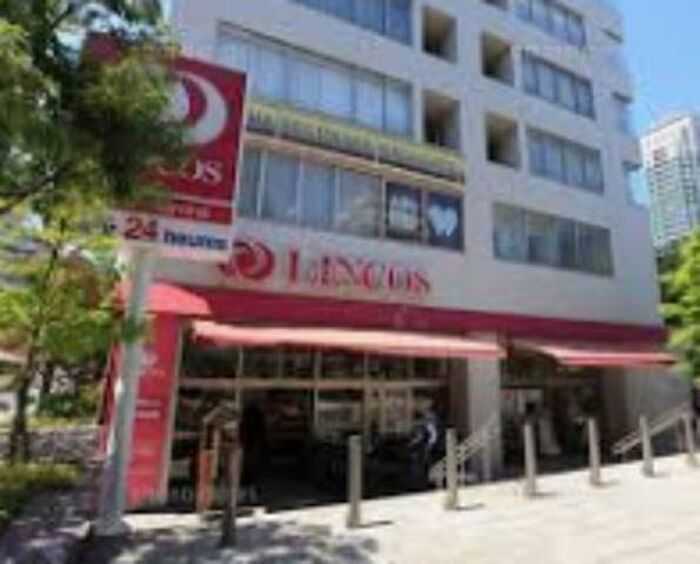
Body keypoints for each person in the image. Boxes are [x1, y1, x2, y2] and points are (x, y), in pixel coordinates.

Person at [239, 402, 267, 505]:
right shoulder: (259, 429)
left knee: (249, 476)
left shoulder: (245, 428)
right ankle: (252, 496)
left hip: (248, 453)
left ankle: (249, 496)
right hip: (253, 453)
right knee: (253, 477)